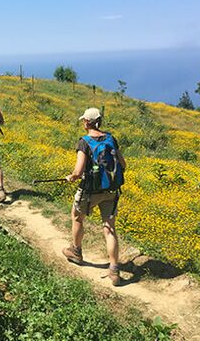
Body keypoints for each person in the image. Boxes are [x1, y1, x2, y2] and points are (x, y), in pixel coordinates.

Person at [62, 107, 126, 286]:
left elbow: (78, 170)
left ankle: (76, 251)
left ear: (87, 123)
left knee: (77, 217)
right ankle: (114, 269)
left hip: (90, 191)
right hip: (111, 191)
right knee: (109, 228)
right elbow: (123, 163)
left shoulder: (84, 142)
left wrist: (72, 177)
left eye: (84, 120)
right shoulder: (111, 139)